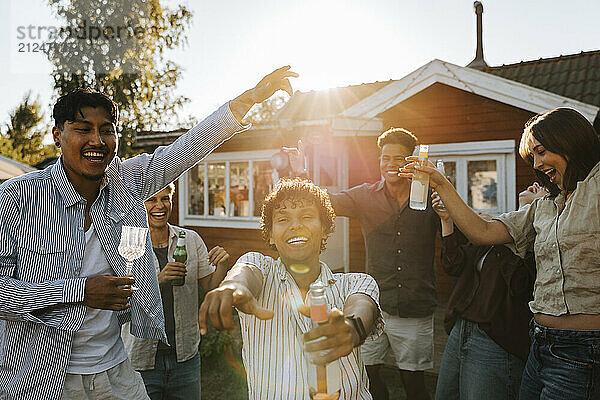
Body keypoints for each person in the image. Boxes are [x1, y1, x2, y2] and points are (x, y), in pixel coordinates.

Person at [0, 66, 297, 400]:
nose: (97, 141)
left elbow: (184, 150)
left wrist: (249, 100)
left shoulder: (127, 182)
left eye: (106, 130)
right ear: (57, 135)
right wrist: (78, 292)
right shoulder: (17, 197)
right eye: (83, 129)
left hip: (116, 370)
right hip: (43, 377)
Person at [399, 107, 600, 400]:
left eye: (542, 152)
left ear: (569, 140)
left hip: (583, 349)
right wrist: (441, 183)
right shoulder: (545, 205)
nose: (538, 163)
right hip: (540, 343)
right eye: (533, 156)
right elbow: (482, 231)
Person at [198, 178, 384, 400]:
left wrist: (351, 328)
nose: (296, 226)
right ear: (270, 235)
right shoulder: (261, 269)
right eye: (283, 219)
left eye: (306, 216)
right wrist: (232, 286)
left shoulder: (356, 283)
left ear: (325, 229)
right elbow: (245, 272)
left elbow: (361, 306)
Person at [288, 129, 439, 400]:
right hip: (373, 306)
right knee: (369, 375)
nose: (391, 164)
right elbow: (324, 202)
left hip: (416, 308)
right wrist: (302, 174)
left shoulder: (430, 198)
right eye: (385, 158)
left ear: (412, 160)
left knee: (414, 383)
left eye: (399, 158)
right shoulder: (365, 196)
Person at [433, 182, 547, 400]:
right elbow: (453, 264)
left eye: (542, 186)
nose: (534, 184)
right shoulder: (498, 227)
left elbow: (521, 286)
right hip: (461, 328)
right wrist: (446, 220)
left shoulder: (539, 238)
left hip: (496, 338)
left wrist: (492, 235)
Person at [121, 184, 231, 400]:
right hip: (140, 359)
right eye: (151, 200)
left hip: (184, 358)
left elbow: (209, 286)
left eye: (165, 199)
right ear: (138, 204)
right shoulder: (129, 242)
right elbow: (120, 296)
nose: (159, 206)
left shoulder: (189, 239)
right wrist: (159, 279)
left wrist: (223, 267)